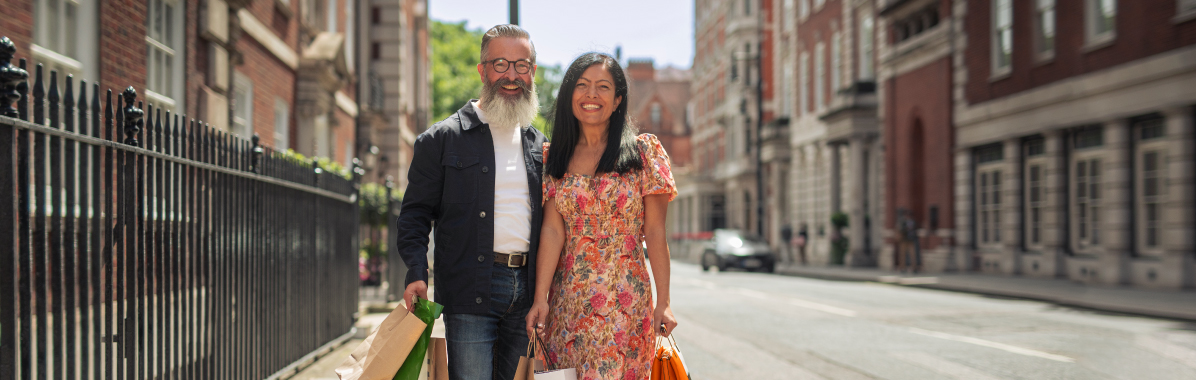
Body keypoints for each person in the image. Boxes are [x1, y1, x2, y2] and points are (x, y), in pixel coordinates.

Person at [395, 24, 550, 380]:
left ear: (533, 72)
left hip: (527, 292)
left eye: (521, 65)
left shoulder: (541, 146)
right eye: (500, 64)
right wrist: (417, 271)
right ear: (482, 70)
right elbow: (415, 214)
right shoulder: (441, 139)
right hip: (469, 290)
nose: (511, 75)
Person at [524, 52, 678, 380]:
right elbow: (552, 231)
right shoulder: (555, 158)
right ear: (569, 96)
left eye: (603, 87)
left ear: (618, 99)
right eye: (582, 85)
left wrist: (663, 302)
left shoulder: (643, 153)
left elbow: (655, 232)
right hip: (568, 305)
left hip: (626, 304)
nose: (591, 94)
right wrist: (541, 299)